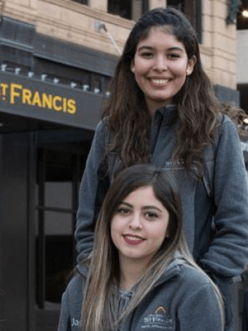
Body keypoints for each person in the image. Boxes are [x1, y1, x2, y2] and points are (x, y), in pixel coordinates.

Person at [75, 7, 248, 330]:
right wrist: (99, 280)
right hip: (116, 308)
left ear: (191, 64)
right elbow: (89, 223)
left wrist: (198, 287)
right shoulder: (109, 132)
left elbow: (237, 228)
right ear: (131, 63)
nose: (159, 66)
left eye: (173, 55)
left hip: (193, 309)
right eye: (147, 54)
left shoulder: (217, 131)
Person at [59, 164, 224, 331]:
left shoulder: (194, 290)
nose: (135, 224)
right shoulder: (79, 288)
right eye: (124, 211)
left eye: (150, 215)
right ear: (108, 218)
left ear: (170, 228)